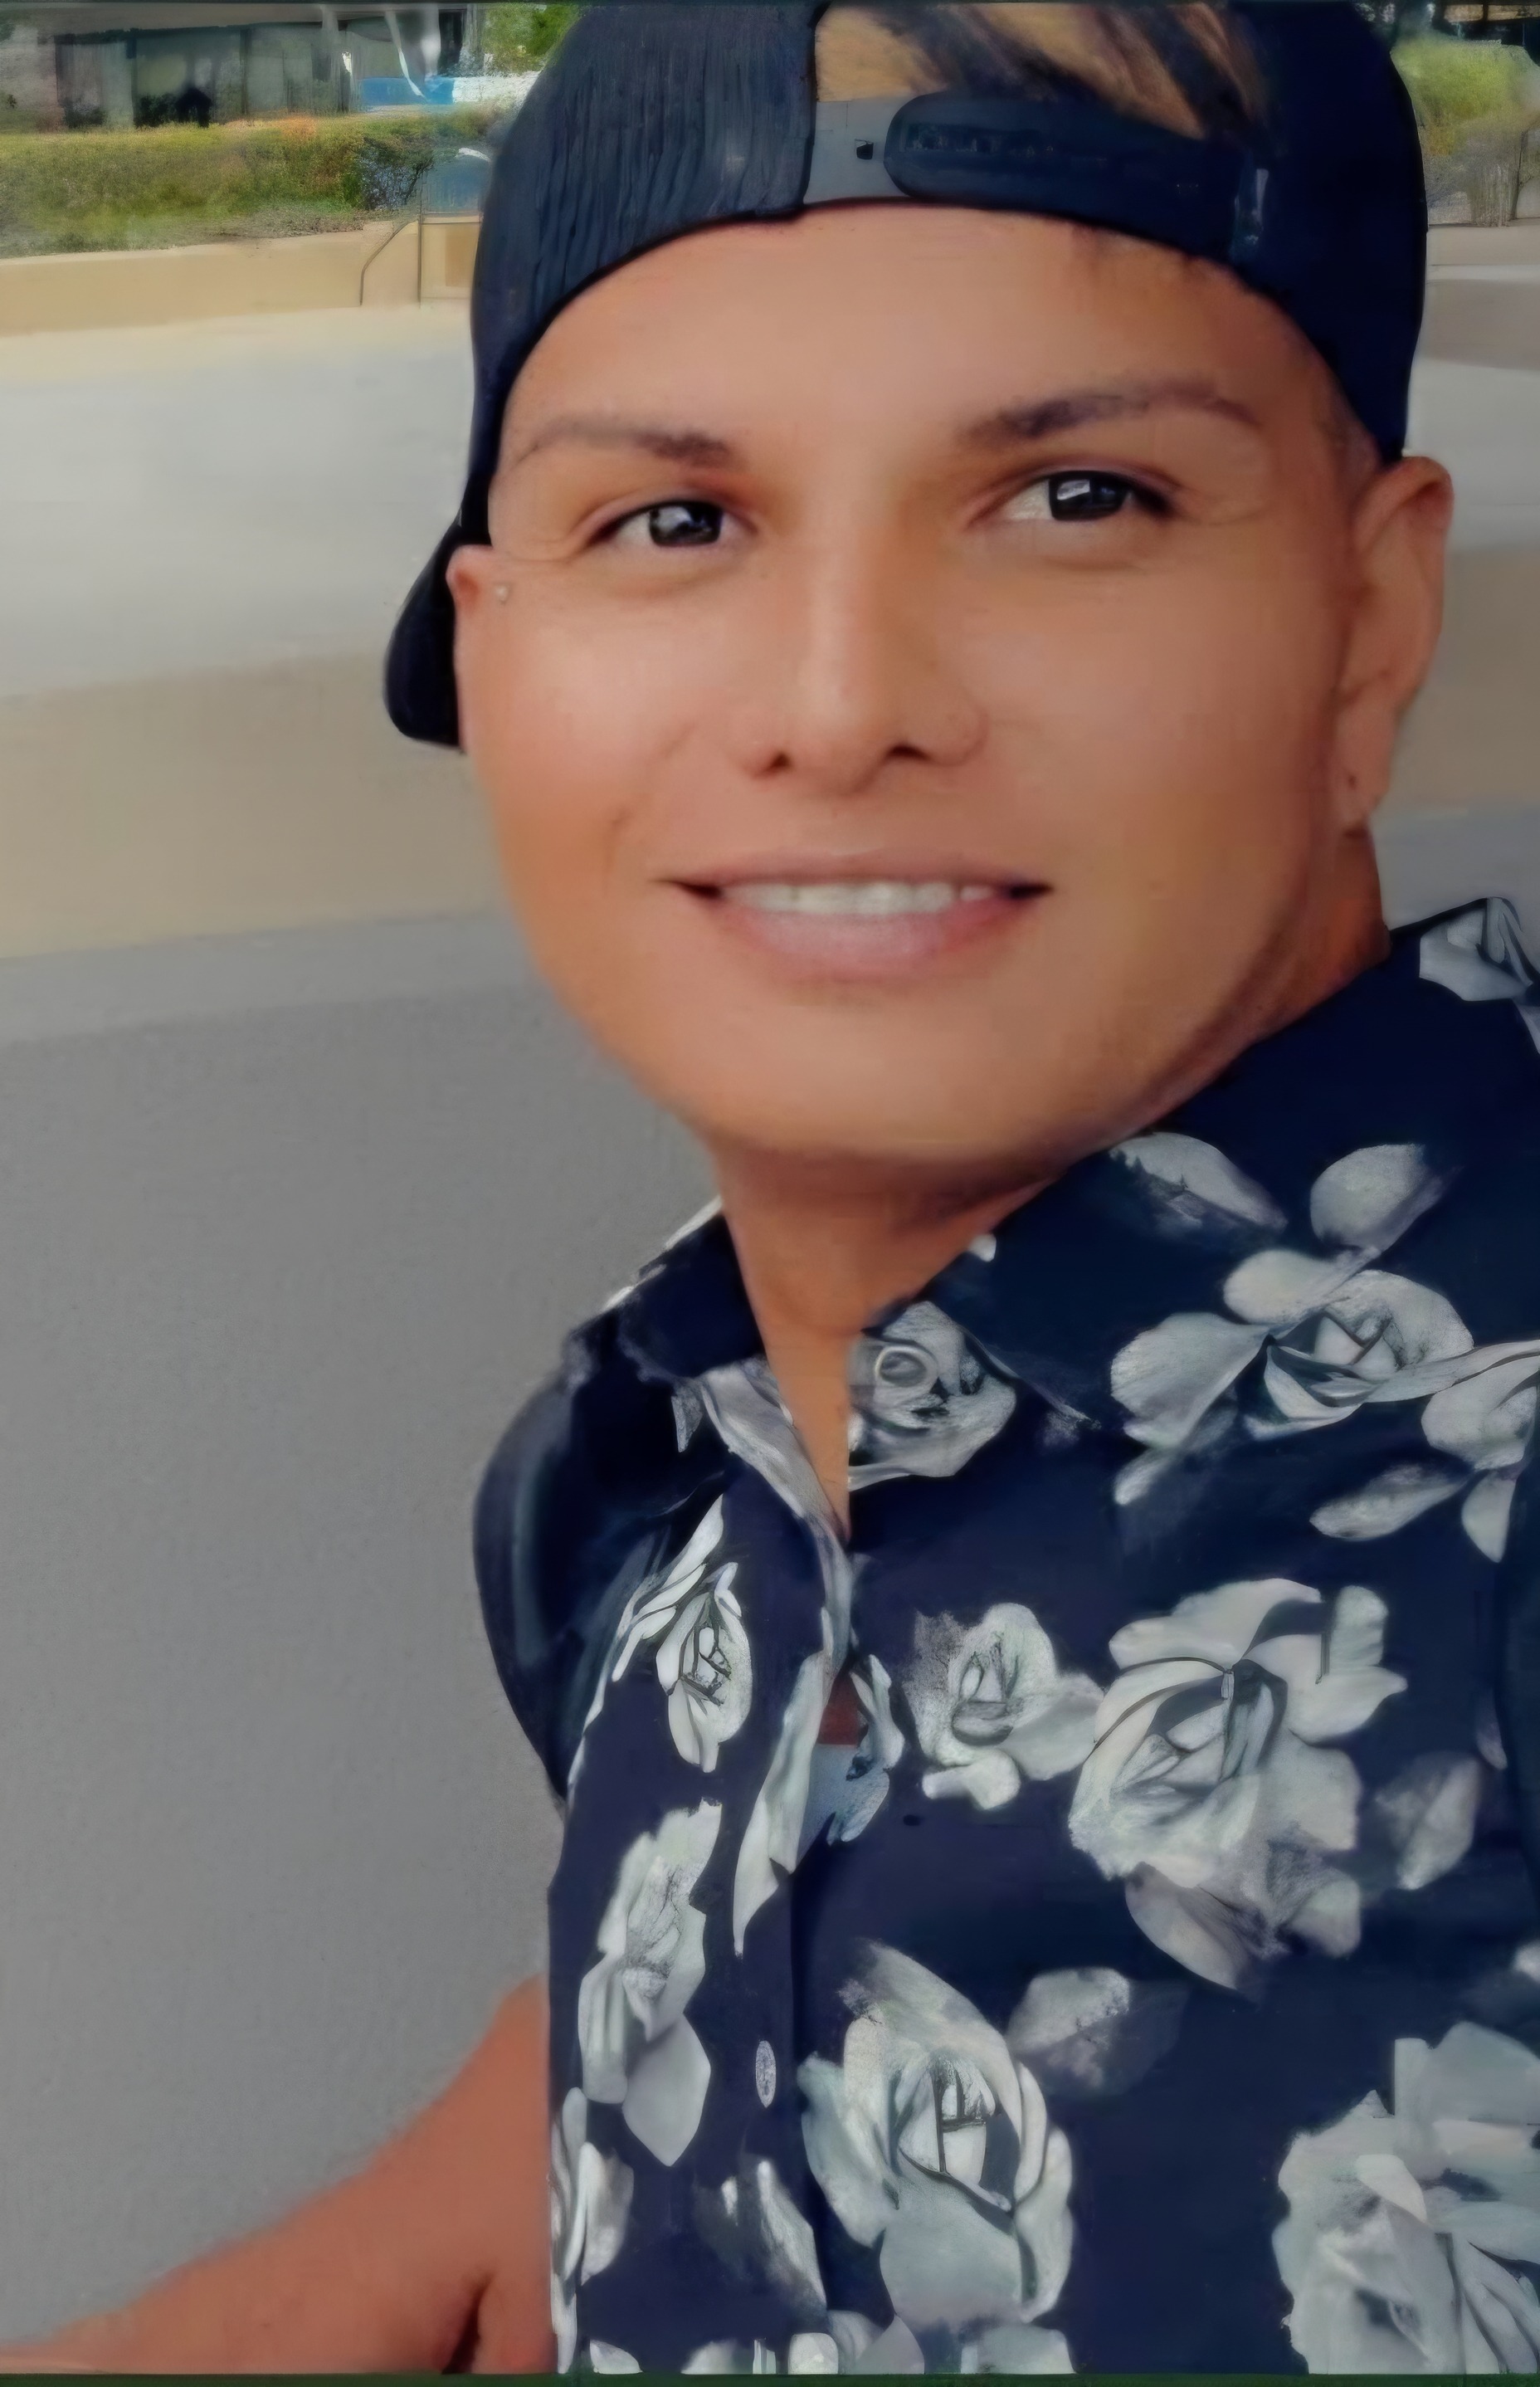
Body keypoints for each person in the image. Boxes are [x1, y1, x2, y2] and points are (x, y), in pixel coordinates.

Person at [18, 0, 1540, 2370]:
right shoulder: (664, 1473)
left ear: (1375, 624)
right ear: (496, 655)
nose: (841, 705)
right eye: (677, 523)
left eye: (1079, 499)